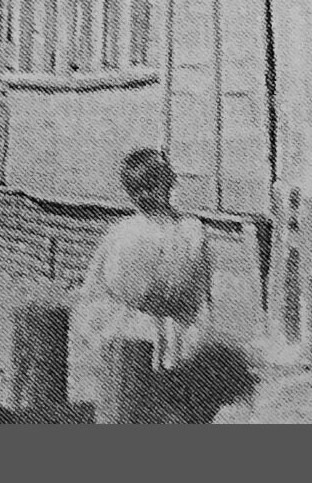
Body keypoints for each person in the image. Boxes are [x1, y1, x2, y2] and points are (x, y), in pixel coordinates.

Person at [75, 147, 215, 391]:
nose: (145, 195)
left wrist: (195, 335)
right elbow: (95, 292)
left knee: (173, 392)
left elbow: (200, 295)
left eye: (152, 186)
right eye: (137, 189)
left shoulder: (191, 231)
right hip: (130, 335)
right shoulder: (123, 233)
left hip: (179, 334)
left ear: (168, 183)